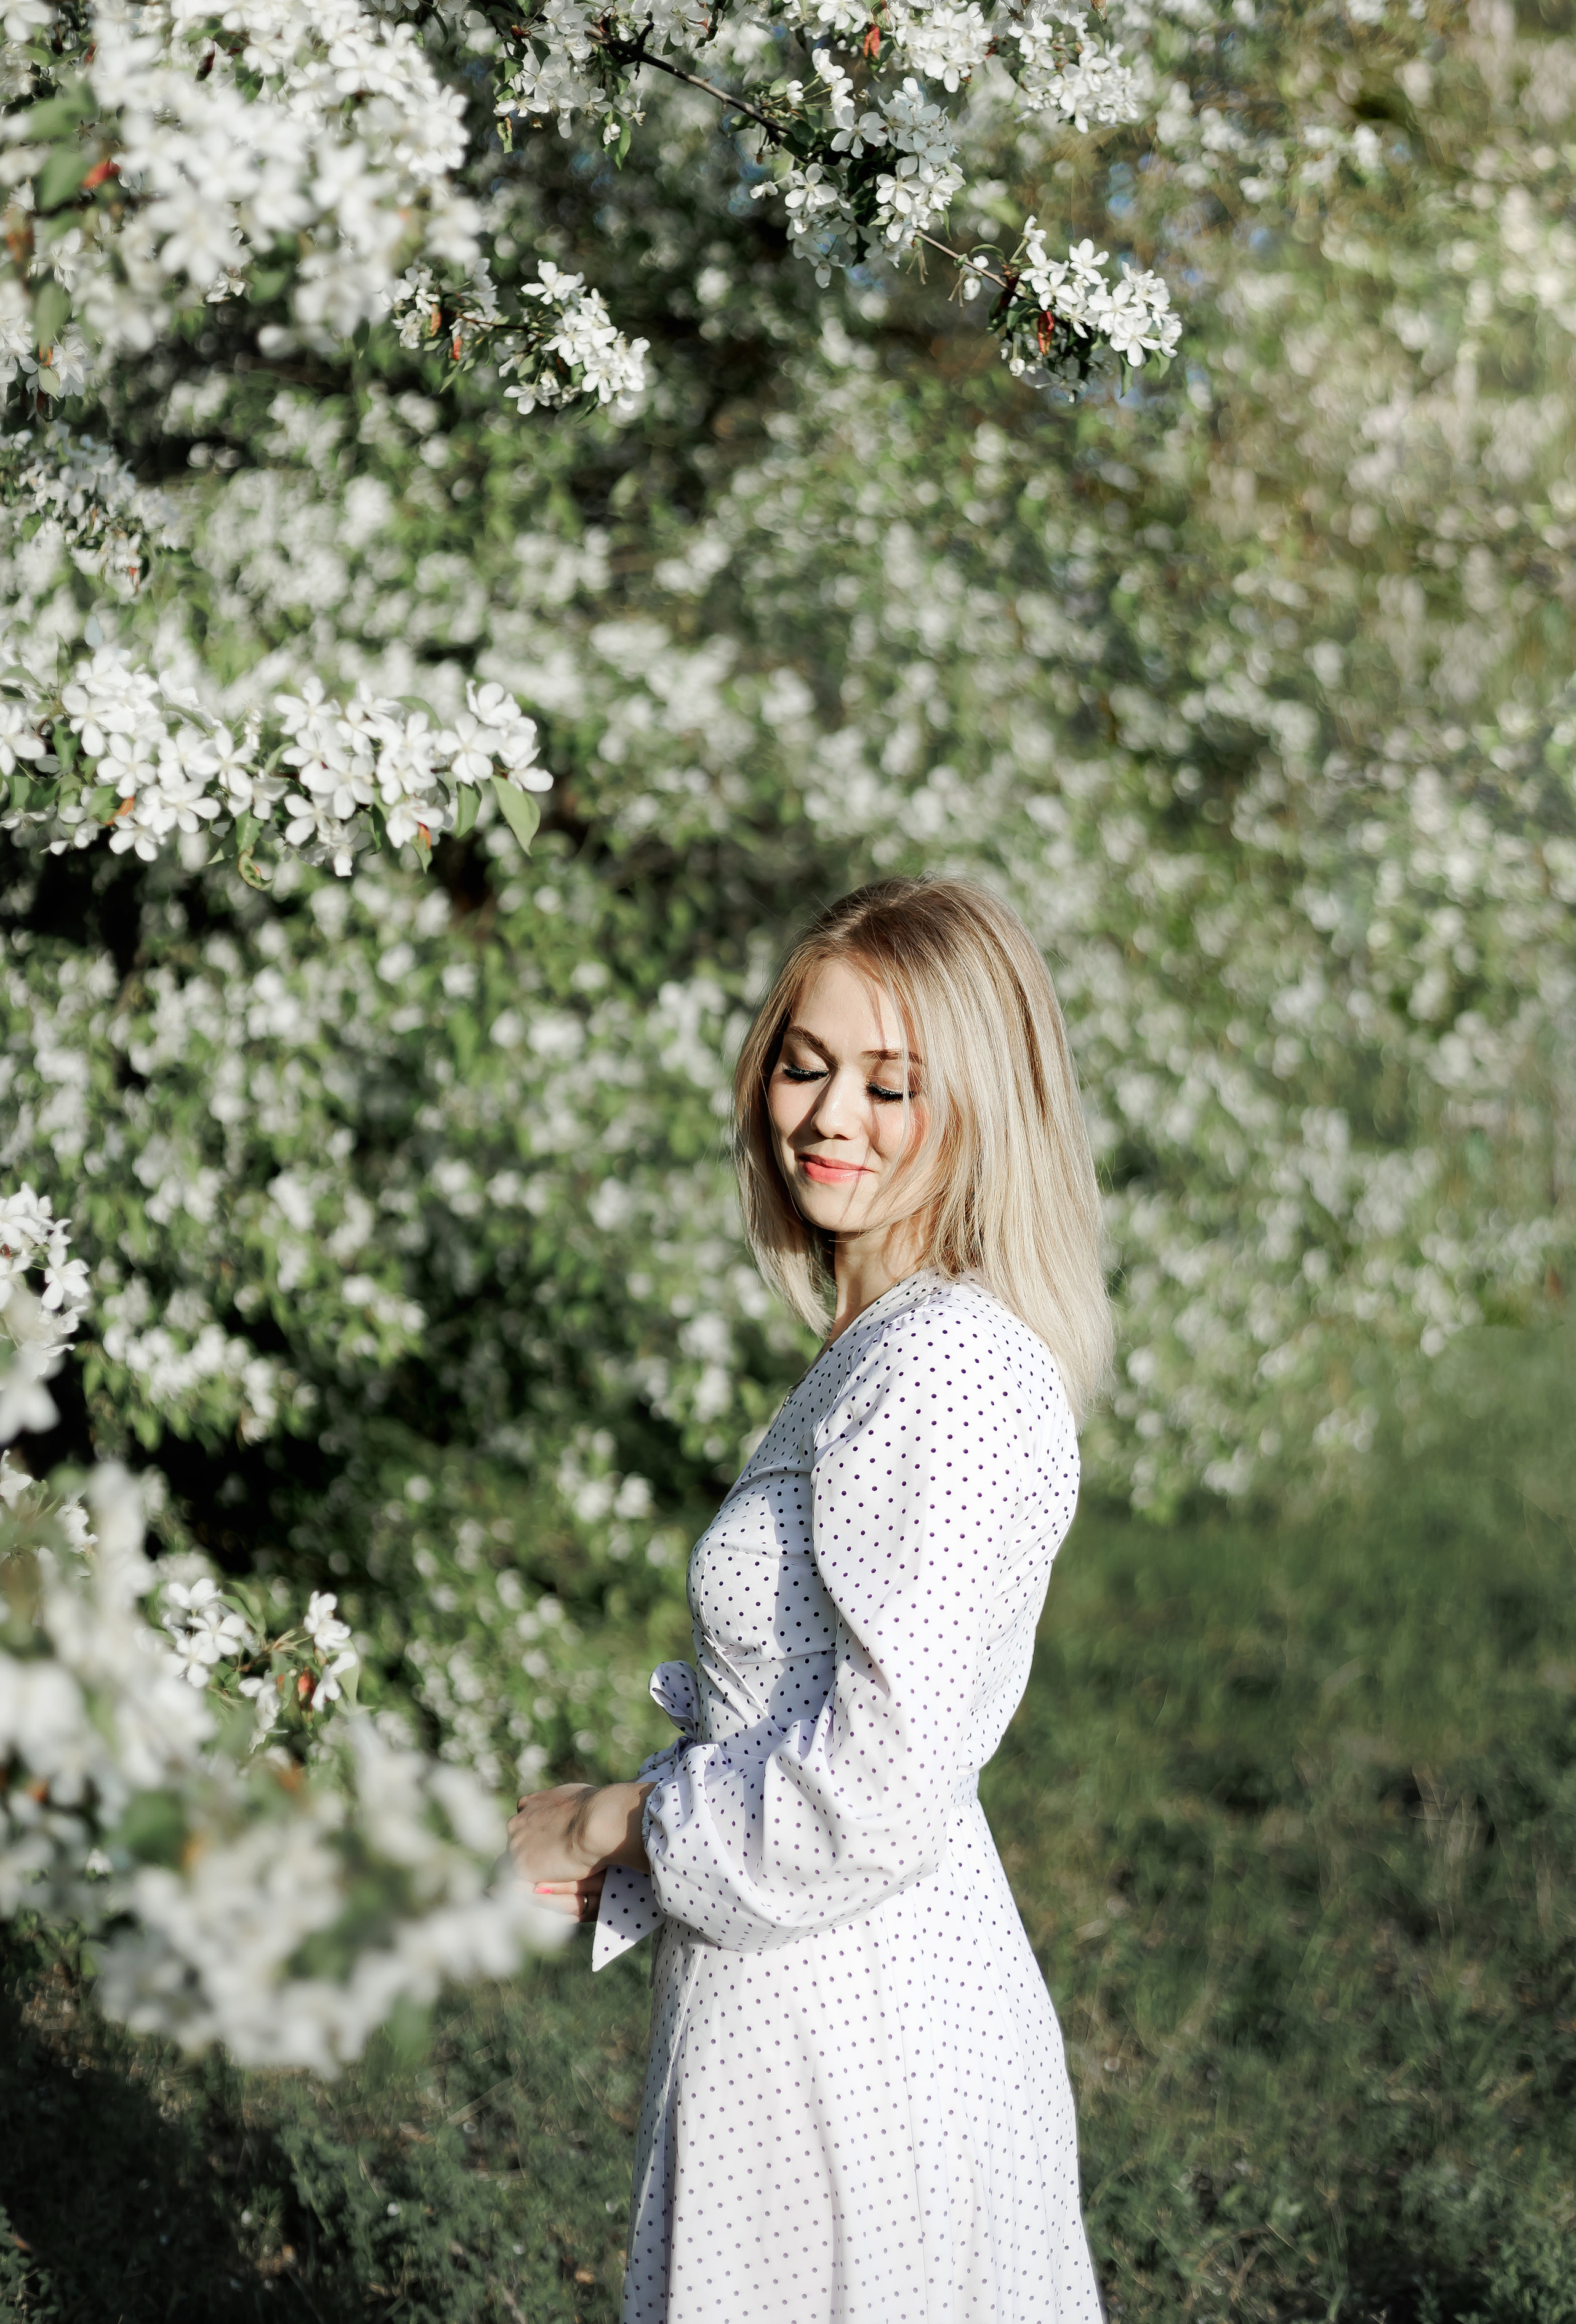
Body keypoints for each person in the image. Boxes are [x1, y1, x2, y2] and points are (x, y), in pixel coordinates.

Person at [509, 875, 1112, 2324]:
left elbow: (877, 1784)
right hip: (795, 2014)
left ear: (979, 1104)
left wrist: (623, 1820)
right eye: (805, 1064)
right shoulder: (884, 1343)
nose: (829, 1117)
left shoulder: (949, 1369)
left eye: (890, 1084)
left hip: (859, 2046)